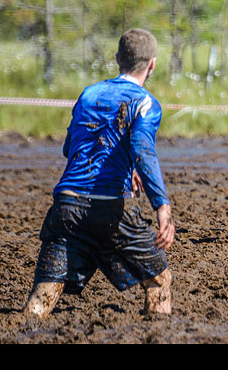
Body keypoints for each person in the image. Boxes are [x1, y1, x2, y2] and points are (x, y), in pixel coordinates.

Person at [23, 28, 175, 319]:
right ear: (152, 64)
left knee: (45, 292)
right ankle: (158, 334)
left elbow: (71, 148)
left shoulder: (89, 95)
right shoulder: (144, 103)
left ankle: (17, 331)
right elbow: (143, 151)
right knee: (159, 279)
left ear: (117, 58)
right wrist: (162, 207)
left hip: (66, 206)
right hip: (109, 210)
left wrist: (124, 165)